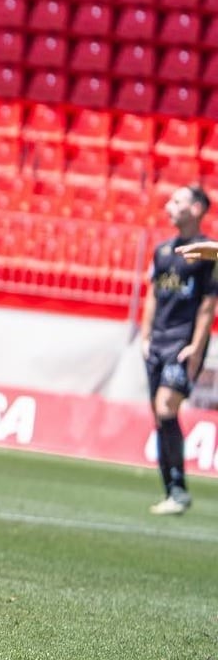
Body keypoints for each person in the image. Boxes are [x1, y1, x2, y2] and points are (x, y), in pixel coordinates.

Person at [139, 185, 217, 516]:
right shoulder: (162, 251)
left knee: (167, 407)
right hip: (157, 341)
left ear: (197, 208)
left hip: (182, 344)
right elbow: (154, 294)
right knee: (159, 416)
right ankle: (174, 489)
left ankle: (178, 490)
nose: (169, 206)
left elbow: (208, 304)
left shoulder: (205, 253)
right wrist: (144, 337)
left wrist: (197, 347)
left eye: (177, 201)